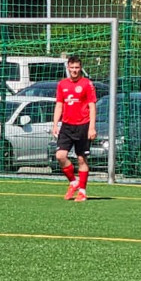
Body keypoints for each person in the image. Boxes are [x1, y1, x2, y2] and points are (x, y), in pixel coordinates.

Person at [52, 55, 97, 201]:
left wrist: (92, 127)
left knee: (81, 159)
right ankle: (73, 182)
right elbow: (59, 105)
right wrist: (55, 124)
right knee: (60, 156)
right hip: (66, 126)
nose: (74, 71)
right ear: (68, 68)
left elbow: (92, 106)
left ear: (80, 68)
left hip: (83, 125)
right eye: (72, 68)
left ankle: (82, 191)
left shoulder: (86, 84)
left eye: (77, 68)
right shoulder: (62, 84)